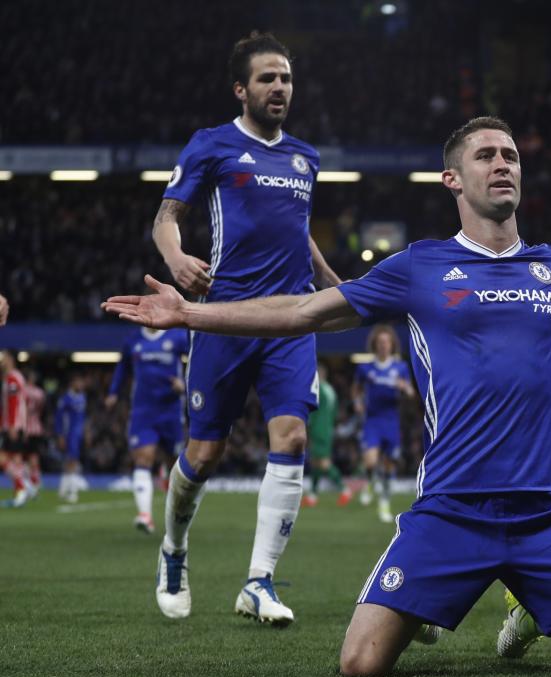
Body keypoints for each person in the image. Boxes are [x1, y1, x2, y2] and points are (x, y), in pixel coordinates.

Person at [103, 116, 551, 677]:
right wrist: (194, 315)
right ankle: (505, 595)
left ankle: (542, 611)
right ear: (453, 179)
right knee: (360, 661)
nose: (503, 164)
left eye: (511, 156)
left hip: (550, 510)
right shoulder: (419, 267)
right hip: (451, 508)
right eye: (486, 155)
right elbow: (302, 309)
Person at [147, 32, 341, 625]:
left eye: (285, 77)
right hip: (224, 317)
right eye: (267, 78)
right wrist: (177, 261)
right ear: (242, 89)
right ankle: (174, 551)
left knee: (292, 439)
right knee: (204, 454)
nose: (279, 87)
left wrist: (338, 288)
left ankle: (259, 582)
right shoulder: (213, 145)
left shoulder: (305, 157)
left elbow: (298, 232)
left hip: (289, 319)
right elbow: (165, 219)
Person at [106, 327, 190, 533]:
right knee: (143, 458)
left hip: (171, 410)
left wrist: (186, 384)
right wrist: (113, 392)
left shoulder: (177, 336)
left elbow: (198, 359)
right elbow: (122, 366)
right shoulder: (133, 339)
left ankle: (171, 495)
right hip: (143, 411)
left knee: (174, 463)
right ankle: (145, 515)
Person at [352, 325, 414, 522]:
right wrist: (357, 403)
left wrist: (405, 388)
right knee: (370, 461)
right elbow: (356, 389)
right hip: (373, 419)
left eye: (386, 342)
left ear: (392, 345)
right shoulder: (365, 368)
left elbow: (412, 393)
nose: (383, 346)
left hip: (391, 420)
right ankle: (370, 480)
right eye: (380, 343)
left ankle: (384, 502)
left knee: (388, 465)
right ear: (375, 345)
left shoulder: (400, 368)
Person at [303, 362, 344, 507]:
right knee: (315, 463)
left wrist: (308, 425)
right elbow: (335, 413)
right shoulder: (331, 391)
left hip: (319, 430)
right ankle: (313, 495)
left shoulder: (319, 390)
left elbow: (313, 411)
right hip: (327, 429)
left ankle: (344, 490)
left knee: (323, 463)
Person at [1, 350, 30, 506]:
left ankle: (22, 487)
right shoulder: (16, 377)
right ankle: (22, 490)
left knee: (4, 458)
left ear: (10, 359)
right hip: (17, 424)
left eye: (4, 357)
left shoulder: (12, 378)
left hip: (13, 425)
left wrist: (11, 425)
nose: (2, 360)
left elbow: (13, 404)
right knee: (16, 460)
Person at [55, 373, 87, 504]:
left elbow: (83, 417)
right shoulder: (65, 399)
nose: (81, 385)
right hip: (69, 433)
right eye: (79, 382)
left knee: (70, 461)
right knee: (72, 461)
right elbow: (59, 418)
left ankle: (62, 490)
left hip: (78, 433)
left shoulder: (83, 397)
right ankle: (73, 492)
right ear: (73, 383)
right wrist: (60, 435)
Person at [23, 370, 46, 499]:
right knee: (34, 459)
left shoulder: (23, 391)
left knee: (23, 460)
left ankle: (28, 487)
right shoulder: (40, 393)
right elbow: (42, 411)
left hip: (25, 429)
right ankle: (36, 485)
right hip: (37, 428)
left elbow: (23, 410)